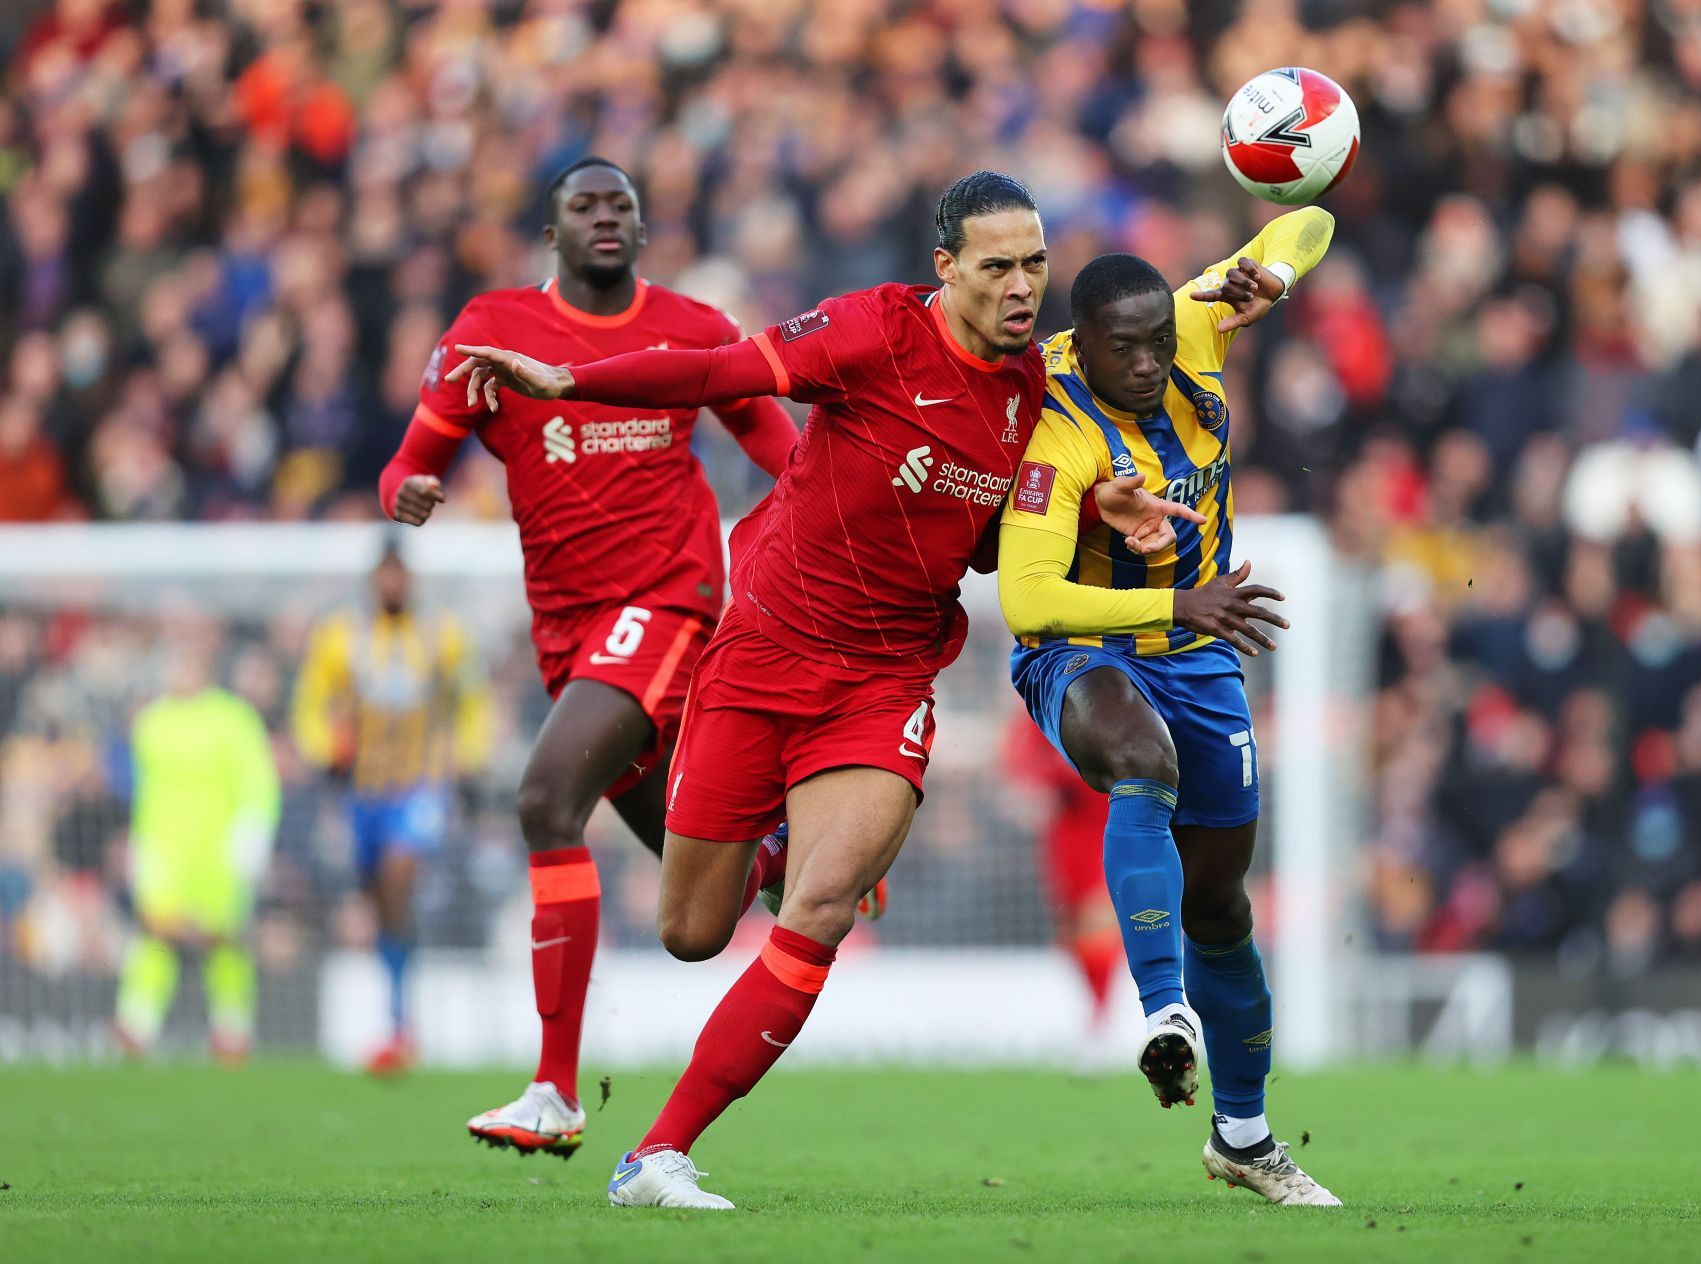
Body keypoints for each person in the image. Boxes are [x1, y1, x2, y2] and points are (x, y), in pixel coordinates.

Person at [448, 170, 1191, 1209]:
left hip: (885, 678)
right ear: (946, 268)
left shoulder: (1040, 396)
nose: (1024, 287)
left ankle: (656, 1152)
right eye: (998, 267)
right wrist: (573, 384)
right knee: (692, 933)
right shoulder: (869, 332)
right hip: (761, 650)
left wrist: (1094, 509)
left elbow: (997, 544)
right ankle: (771, 847)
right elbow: (717, 370)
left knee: (824, 910)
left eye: (1035, 264)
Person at [377, 157, 800, 1157]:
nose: (605, 217)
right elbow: (415, 453)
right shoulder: (490, 331)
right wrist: (407, 488)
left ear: (643, 232)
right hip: (569, 630)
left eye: (622, 205)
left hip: (669, 601)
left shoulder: (694, 329)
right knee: (704, 885)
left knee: (542, 800)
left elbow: (781, 448)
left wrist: (829, 525)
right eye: (584, 204)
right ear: (551, 232)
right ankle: (793, 851)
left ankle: (553, 1089)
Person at [997, 207, 1343, 1205]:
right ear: (1082, 342)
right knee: (1139, 762)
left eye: (1158, 341)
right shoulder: (1057, 430)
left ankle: (1244, 1136)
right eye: (1126, 348)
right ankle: (1162, 1013)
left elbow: (1310, 217)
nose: (1149, 362)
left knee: (1222, 908)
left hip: (1200, 653)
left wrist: (1270, 275)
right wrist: (1177, 597)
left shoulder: (1190, 322)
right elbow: (1025, 598)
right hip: (1085, 649)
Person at [290, 539, 491, 1074]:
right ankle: (399, 1019)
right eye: (385, 574)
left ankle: (401, 1020)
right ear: (373, 580)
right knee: (382, 904)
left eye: (400, 574)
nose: (393, 584)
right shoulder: (343, 638)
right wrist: (322, 749)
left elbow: (473, 699)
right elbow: (310, 702)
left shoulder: (440, 636)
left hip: (418, 785)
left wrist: (469, 759)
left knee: (400, 872)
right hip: (362, 791)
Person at [116, 619, 280, 1064]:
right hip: (165, 851)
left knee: (223, 941)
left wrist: (253, 834)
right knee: (155, 935)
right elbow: (143, 791)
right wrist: (139, 844)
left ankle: (232, 1030)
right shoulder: (151, 722)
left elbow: (260, 784)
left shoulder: (233, 719)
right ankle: (135, 1025)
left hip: (218, 854)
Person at [1002, 714, 1121, 1042]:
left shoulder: (1121, 689)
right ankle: (1096, 1016)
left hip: (1111, 821)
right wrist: (1032, 784)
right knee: (1073, 930)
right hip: (1065, 833)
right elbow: (1022, 754)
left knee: (1101, 921)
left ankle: (1109, 1017)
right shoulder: (1045, 695)